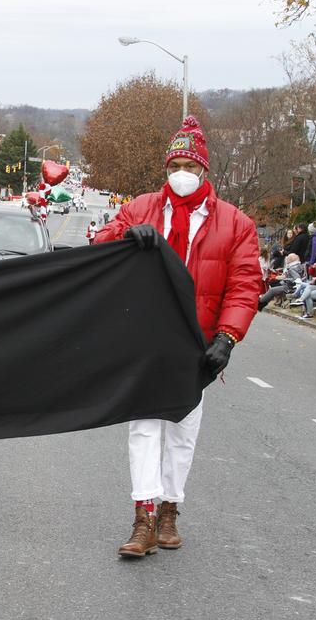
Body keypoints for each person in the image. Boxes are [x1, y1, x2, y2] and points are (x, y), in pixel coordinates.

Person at [93, 115, 261, 558]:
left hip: (197, 342)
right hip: (145, 339)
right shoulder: (141, 208)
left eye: (190, 165)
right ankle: (143, 516)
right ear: (166, 169)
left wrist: (227, 337)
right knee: (145, 428)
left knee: (182, 430)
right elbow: (100, 250)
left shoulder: (235, 223)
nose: (181, 174)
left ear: (205, 170)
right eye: (174, 166)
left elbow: (245, 285)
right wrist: (124, 234)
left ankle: (170, 508)